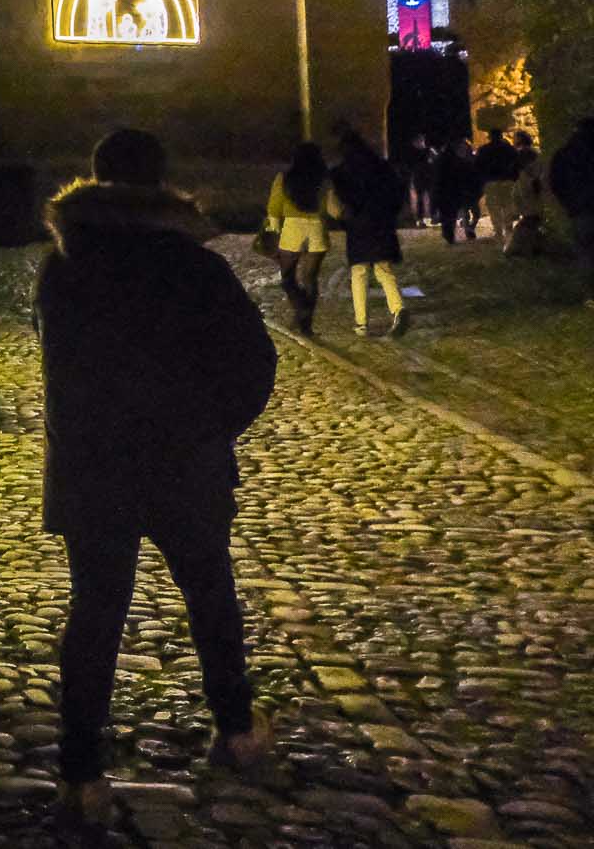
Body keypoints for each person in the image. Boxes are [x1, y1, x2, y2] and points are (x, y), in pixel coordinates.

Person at [38, 129, 277, 825]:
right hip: (183, 463)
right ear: (161, 182)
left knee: (95, 612)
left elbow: (61, 378)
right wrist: (213, 427)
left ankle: (81, 771)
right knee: (209, 593)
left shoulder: (63, 268)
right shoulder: (192, 266)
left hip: (94, 469)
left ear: (96, 177)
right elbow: (255, 360)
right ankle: (236, 729)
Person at [330, 129, 409, 337]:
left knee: (359, 272)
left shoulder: (341, 172)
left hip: (358, 226)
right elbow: (398, 192)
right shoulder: (382, 167)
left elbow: (335, 203)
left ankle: (362, 323)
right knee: (384, 269)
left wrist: (343, 219)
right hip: (382, 223)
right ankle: (398, 308)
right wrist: (391, 214)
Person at [265, 142, 336, 334]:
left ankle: (300, 307)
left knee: (288, 278)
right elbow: (332, 209)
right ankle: (306, 325)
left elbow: (274, 207)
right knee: (310, 278)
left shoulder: (285, 178)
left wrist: (274, 230)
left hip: (293, 228)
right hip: (316, 229)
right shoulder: (324, 178)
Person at [550, 117, 594, 306]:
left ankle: (589, 293)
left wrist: (569, 204)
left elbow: (556, 182)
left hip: (580, 210)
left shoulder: (565, 153)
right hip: (584, 206)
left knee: (585, 251)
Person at [476, 128, 520, 242]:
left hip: (491, 182)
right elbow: (517, 165)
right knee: (508, 205)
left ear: (490, 137)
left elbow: (478, 166)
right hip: (507, 181)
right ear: (501, 136)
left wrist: (482, 180)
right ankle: (508, 228)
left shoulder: (483, 150)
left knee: (494, 207)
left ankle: (498, 231)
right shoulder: (510, 149)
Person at [435, 138, 481, 243]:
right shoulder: (455, 161)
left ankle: (470, 228)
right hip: (462, 191)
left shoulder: (470, 159)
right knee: (465, 213)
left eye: (465, 147)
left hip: (471, 191)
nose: (463, 149)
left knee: (477, 213)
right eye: (461, 148)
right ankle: (467, 230)